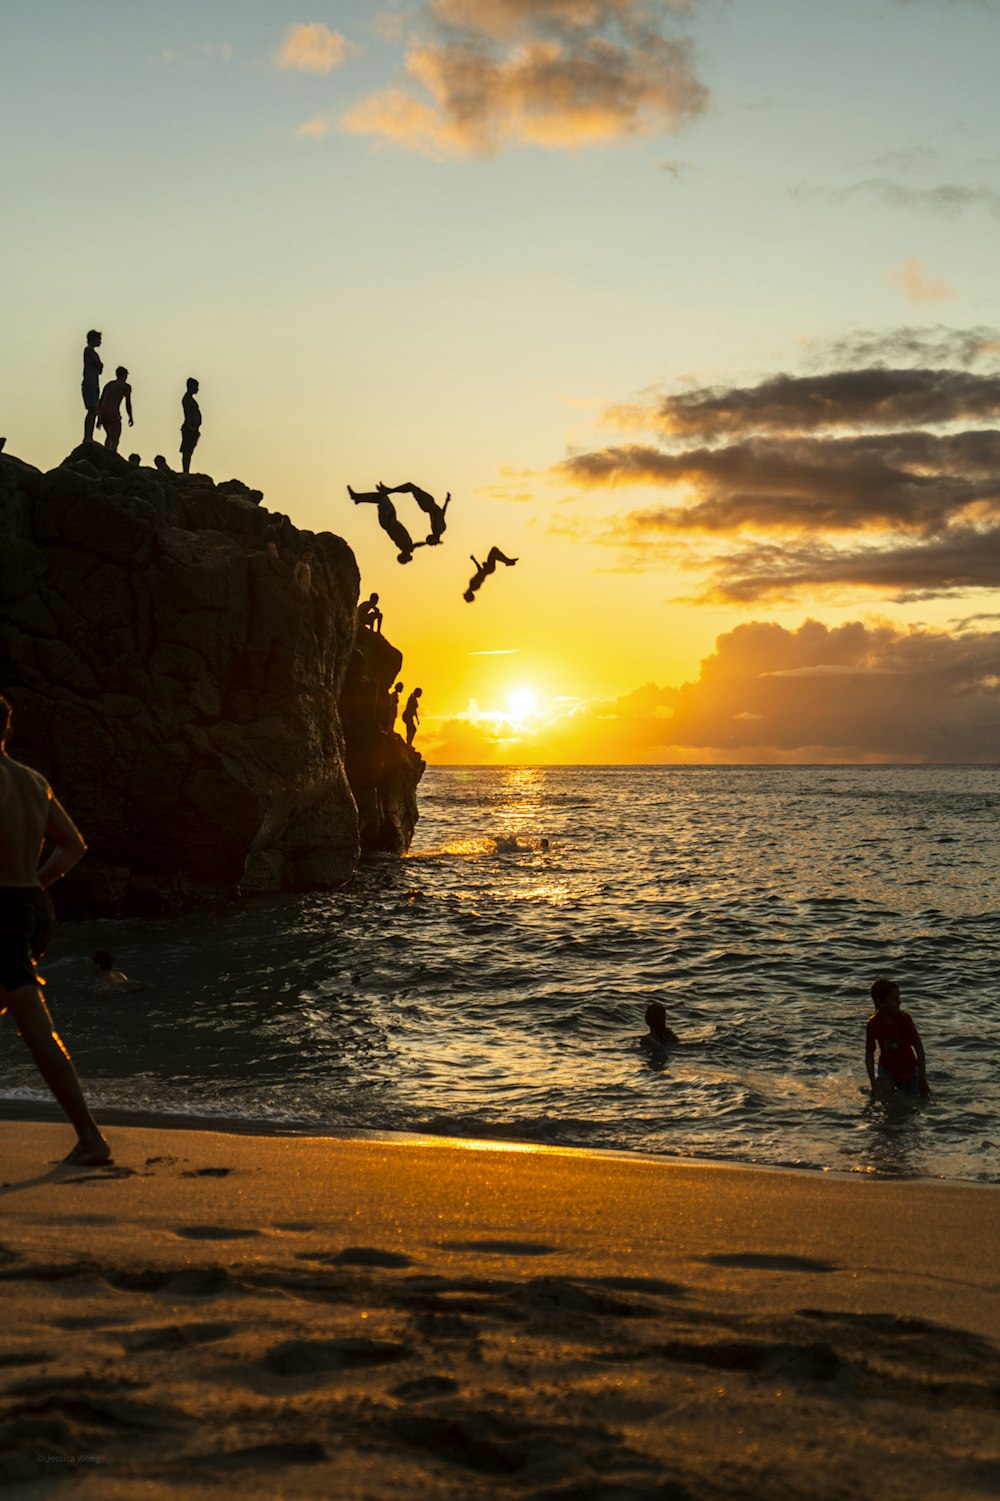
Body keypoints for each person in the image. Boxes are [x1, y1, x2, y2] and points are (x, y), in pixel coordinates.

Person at [0, 695, 111, 1165]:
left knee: (35, 1027)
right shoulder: (34, 781)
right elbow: (74, 846)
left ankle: (90, 1137)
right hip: (32, 907)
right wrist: (35, 883)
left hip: (2, 912)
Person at [865, 977, 930, 1100]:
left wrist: (923, 1079)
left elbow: (920, 1051)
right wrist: (873, 1084)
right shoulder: (873, 1024)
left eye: (899, 998)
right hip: (887, 1068)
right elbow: (869, 1054)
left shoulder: (905, 1019)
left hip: (909, 1068)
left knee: (912, 1103)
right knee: (883, 1099)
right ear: (880, 1002)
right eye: (894, 999)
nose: (899, 1002)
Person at [348, 484, 422, 564]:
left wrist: (390, 521)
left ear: (403, 556)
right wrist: (427, 543)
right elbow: (417, 545)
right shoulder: (409, 547)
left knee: (382, 497)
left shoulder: (402, 546)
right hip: (391, 519)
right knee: (381, 498)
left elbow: (393, 533)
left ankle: (357, 497)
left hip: (388, 521)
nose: (408, 559)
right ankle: (358, 499)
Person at [381, 481, 450, 545]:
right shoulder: (439, 529)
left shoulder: (436, 529)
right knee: (411, 487)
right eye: (430, 538)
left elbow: (441, 514)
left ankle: (388, 491)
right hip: (429, 504)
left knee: (411, 487)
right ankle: (388, 491)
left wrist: (446, 502)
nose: (429, 536)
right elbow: (441, 514)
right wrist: (446, 502)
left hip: (428, 506)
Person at [96, 366, 133, 453]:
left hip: (103, 412)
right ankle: (112, 456)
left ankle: (106, 453)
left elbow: (100, 402)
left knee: (109, 436)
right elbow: (128, 403)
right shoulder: (125, 386)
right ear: (124, 375)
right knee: (115, 437)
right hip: (113, 412)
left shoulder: (109, 385)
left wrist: (99, 417)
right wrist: (130, 417)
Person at [81, 329, 103, 443]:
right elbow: (99, 366)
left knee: (93, 410)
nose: (100, 341)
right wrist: (100, 365)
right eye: (99, 339)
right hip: (90, 383)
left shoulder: (91, 352)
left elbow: (100, 369)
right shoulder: (89, 350)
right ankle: (87, 437)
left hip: (93, 383)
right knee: (92, 410)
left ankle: (89, 436)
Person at [180, 377, 201, 474]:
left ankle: (186, 471)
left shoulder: (190, 399)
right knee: (187, 451)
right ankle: (186, 471)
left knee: (189, 451)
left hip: (193, 428)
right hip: (190, 428)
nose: (197, 389)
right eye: (196, 387)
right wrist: (190, 426)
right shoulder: (187, 399)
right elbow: (187, 413)